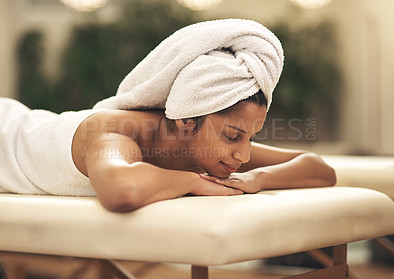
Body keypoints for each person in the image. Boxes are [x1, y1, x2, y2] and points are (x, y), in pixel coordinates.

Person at [0, 19, 336, 212]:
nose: (244, 154)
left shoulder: (205, 144)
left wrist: (257, 179)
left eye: (250, 137)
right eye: (233, 136)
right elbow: (121, 190)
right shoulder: (115, 133)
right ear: (187, 119)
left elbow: (319, 169)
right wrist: (194, 182)